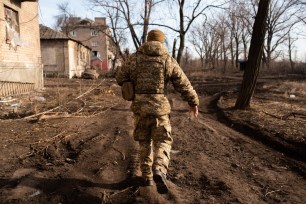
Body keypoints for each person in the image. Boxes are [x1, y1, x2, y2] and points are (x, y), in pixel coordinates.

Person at [116, 29, 199, 194]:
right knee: (163, 141)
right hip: (160, 110)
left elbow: (120, 77)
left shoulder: (134, 59)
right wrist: (193, 102)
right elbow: (183, 83)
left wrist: (130, 83)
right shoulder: (167, 60)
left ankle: (146, 176)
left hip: (140, 109)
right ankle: (159, 169)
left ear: (147, 41)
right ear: (161, 42)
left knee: (144, 142)